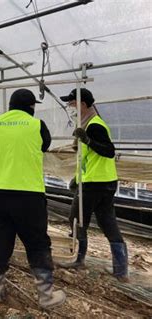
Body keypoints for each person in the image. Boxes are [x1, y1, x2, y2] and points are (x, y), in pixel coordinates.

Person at [0, 89, 66, 309]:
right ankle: (46, 297)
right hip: (27, 194)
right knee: (37, 243)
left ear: (10, 106)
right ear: (31, 107)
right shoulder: (37, 125)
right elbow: (43, 147)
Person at [58, 88, 128, 282]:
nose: (69, 107)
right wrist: (77, 177)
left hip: (94, 184)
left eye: (71, 103)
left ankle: (78, 260)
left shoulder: (94, 126)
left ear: (82, 104)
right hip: (103, 182)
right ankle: (121, 270)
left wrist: (87, 139)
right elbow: (89, 157)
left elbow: (109, 151)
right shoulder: (90, 123)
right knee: (108, 222)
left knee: (77, 219)